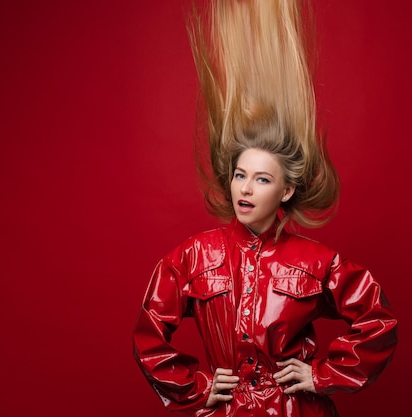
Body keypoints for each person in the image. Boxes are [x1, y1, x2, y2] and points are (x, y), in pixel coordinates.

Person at [132, 1, 398, 416]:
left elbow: (377, 321)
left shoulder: (318, 261)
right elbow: (148, 333)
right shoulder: (193, 256)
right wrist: (196, 386)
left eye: (262, 179)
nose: (246, 189)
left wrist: (322, 375)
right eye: (241, 175)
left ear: (286, 190)